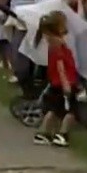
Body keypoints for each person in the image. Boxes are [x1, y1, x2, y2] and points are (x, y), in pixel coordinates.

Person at [32, 11, 78, 147]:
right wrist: (66, 85)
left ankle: (43, 133)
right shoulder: (58, 45)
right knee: (71, 112)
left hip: (55, 83)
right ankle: (62, 134)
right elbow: (60, 66)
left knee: (53, 110)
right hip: (64, 83)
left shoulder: (52, 43)